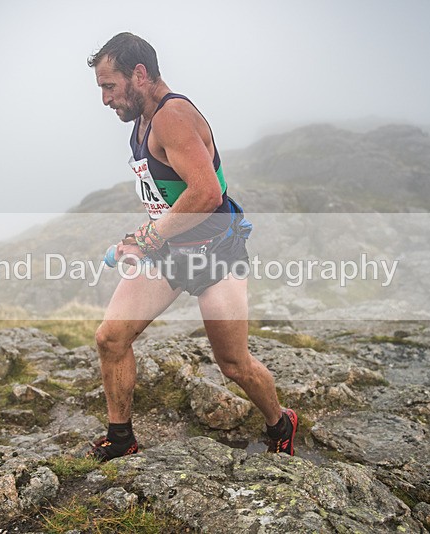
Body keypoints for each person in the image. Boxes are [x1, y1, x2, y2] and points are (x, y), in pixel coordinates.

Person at [86, 32, 296, 461]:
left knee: (233, 364)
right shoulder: (142, 122)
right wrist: (143, 239)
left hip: (217, 253)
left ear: (139, 74)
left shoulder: (172, 116)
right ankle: (121, 439)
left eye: (110, 86)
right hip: (170, 252)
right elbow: (169, 195)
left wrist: (147, 238)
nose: (105, 99)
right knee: (111, 338)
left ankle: (281, 423)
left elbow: (206, 194)